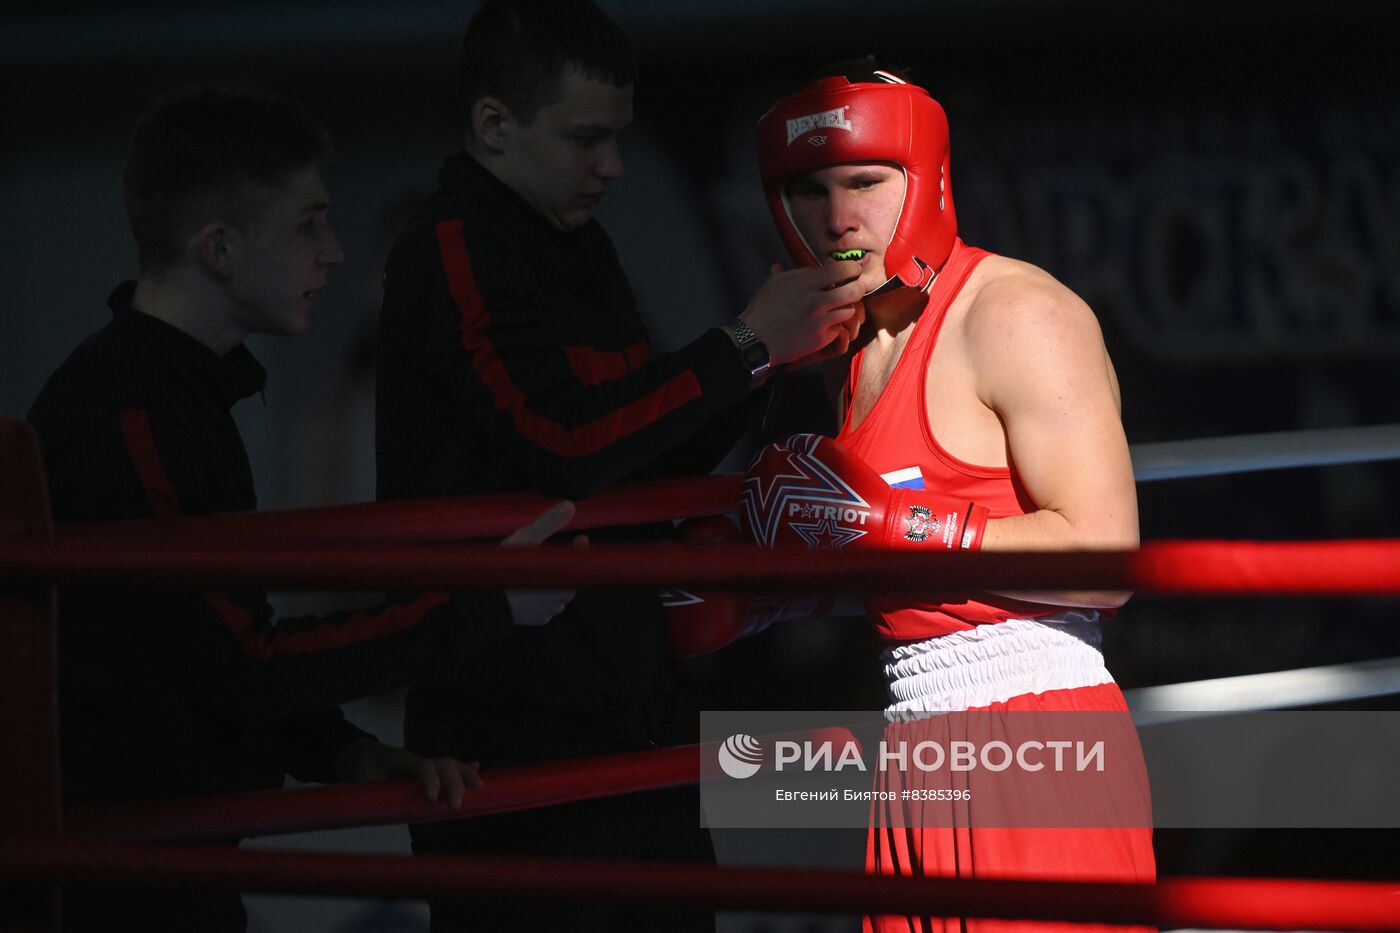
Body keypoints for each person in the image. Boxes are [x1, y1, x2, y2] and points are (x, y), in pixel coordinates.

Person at [26, 86, 576, 933]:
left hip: (166, 864)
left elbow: (199, 654)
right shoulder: (128, 416)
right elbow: (236, 662)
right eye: (308, 223)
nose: (335, 252)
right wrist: (490, 599)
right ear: (220, 249)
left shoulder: (172, 396)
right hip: (127, 880)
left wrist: (344, 750)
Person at [374, 1, 864, 929]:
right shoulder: (450, 245)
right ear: (493, 125)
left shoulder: (578, 245)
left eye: (619, 136)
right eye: (587, 137)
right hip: (507, 719)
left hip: (627, 699)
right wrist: (744, 340)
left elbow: (642, 449)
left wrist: (768, 356)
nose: (614, 165)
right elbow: (562, 446)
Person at [745, 61, 1155, 932]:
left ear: (926, 179)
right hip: (915, 741)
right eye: (811, 191)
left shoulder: (1016, 313)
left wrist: (898, 524)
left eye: (864, 182)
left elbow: (1108, 558)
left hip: (1040, 735)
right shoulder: (849, 345)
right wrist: (775, 584)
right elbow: (894, 561)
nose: (839, 217)